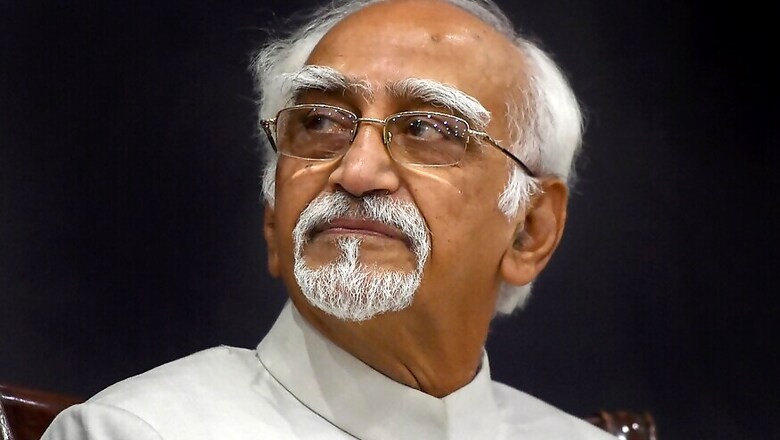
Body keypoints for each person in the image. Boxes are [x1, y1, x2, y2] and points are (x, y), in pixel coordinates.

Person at [43, 0, 613, 438]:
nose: (357, 171)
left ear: (530, 230)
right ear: (273, 217)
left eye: (427, 129)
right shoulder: (136, 431)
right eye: (319, 123)